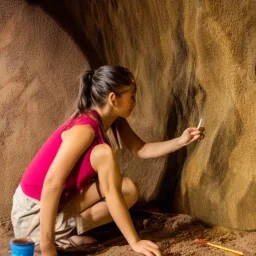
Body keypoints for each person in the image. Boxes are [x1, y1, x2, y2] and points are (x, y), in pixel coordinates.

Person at [11, 65, 204, 256]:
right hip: (32, 214)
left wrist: (181, 141)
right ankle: (50, 237)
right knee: (110, 172)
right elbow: (52, 183)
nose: (135, 102)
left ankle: (65, 234)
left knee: (127, 189)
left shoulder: (113, 120)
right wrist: (48, 249)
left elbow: (141, 149)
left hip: (57, 203)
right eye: (132, 96)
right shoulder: (84, 129)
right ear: (113, 98)